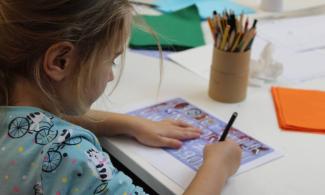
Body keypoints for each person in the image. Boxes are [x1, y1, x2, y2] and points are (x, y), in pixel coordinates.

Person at [0, 0, 241, 194]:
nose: (110, 77)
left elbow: (33, 124)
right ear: (60, 61)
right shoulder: (71, 157)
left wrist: (127, 123)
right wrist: (217, 167)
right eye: (111, 60)